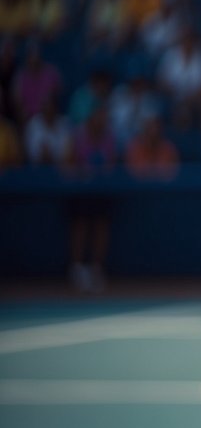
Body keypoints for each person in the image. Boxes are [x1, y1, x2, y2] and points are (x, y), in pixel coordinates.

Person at [68, 105, 117, 293]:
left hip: (101, 190)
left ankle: (96, 268)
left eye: (103, 118)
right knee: (80, 224)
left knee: (101, 225)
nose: (101, 121)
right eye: (98, 117)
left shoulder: (109, 138)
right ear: (90, 119)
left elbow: (111, 163)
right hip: (80, 190)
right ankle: (78, 268)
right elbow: (69, 164)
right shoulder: (78, 137)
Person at [158, 31, 201, 129]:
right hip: (173, 97)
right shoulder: (171, 55)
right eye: (185, 39)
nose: (188, 43)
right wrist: (176, 95)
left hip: (196, 99)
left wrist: (192, 98)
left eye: (191, 40)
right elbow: (162, 80)